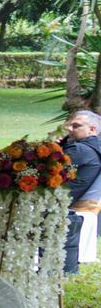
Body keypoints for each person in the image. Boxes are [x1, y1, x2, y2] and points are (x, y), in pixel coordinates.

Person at [65, 108, 101, 275]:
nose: (69, 129)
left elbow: (45, 170)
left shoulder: (80, 150)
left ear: (92, 129)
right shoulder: (95, 148)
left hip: (65, 206)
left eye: (76, 126)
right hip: (87, 209)